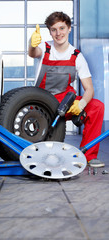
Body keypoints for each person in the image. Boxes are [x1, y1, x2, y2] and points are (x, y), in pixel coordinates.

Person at [28, 11, 105, 167]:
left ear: (69, 29)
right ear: (49, 31)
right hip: (43, 102)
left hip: (66, 101)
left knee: (97, 107)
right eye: (54, 29)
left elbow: (89, 89)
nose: (58, 33)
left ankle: (89, 155)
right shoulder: (45, 48)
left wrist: (81, 104)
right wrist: (31, 44)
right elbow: (33, 53)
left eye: (62, 28)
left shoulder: (77, 56)